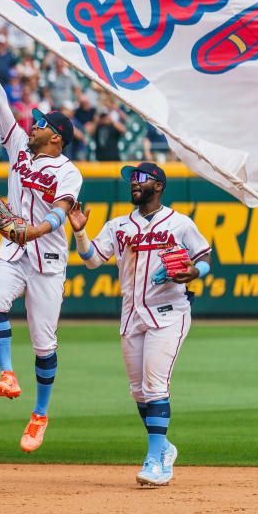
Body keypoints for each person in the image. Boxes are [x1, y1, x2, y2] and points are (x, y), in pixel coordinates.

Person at [68, 162, 211, 485]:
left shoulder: (179, 223)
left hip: (170, 312)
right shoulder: (119, 225)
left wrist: (194, 272)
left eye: (141, 178)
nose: (134, 182)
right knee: (139, 392)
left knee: (155, 386)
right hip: (132, 315)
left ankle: (154, 460)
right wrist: (79, 231)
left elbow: (204, 257)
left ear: (158, 185)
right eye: (131, 179)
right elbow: (92, 260)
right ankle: (165, 448)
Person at [0, 26, 84, 452]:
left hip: (49, 261)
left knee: (44, 344)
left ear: (55, 137)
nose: (33, 124)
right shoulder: (18, 146)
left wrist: (35, 228)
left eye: (41, 123)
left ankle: (40, 414)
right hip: (15, 249)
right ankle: (7, 374)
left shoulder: (68, 171)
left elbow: (60, 212)